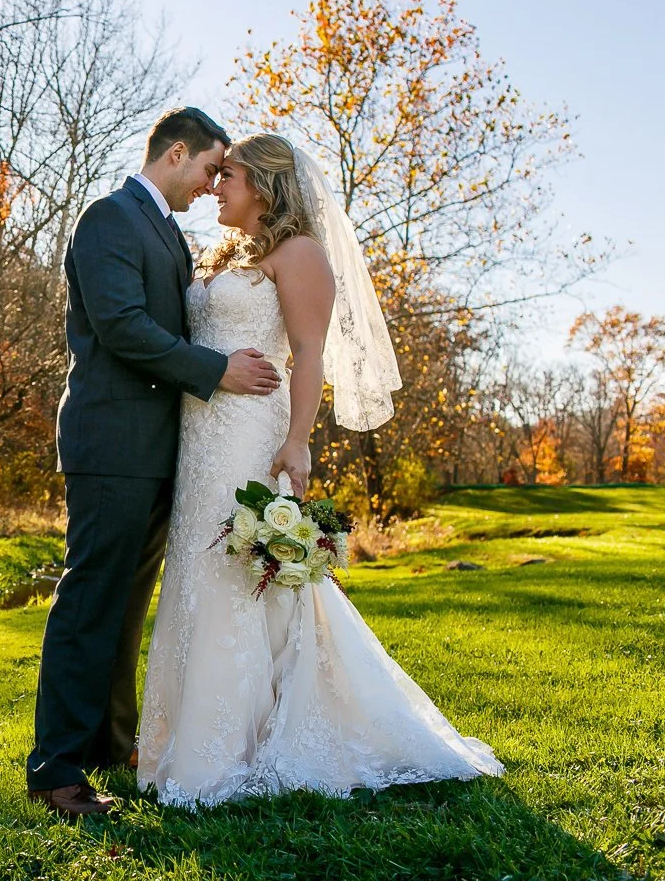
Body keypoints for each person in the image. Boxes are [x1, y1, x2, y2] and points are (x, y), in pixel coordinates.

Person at [135, 133, 503, 807]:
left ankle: (235, 746)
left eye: (228, 176)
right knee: (197, 570)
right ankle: (182, 741)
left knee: (240, 575)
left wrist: (298, 442)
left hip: (251, 435)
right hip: (199, 438)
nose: (215, 187)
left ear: (264, 184)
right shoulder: (223, 254)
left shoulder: (300, 253)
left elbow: (309, 354)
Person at [26, 107, 282, 817]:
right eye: (209, 169)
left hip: (159, 452)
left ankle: (110, 745)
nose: (211, 185)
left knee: (124, 611)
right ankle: (56, 770)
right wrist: (217, 371)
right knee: (90, 604)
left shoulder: (166, 232)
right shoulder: (108, 218)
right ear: (176, 153)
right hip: (111, 444)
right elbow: (122, 327)